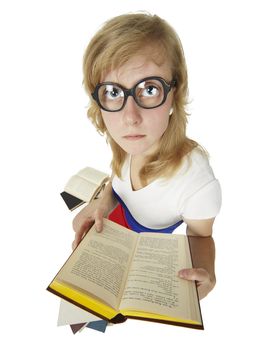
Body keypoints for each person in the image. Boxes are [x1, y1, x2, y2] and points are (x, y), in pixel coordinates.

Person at [72, 12, 221, 300]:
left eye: (149, 89)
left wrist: (207, 270)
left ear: (174, 94)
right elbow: (118, 183)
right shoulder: (127, 143)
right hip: (120, 220)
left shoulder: (196, 182)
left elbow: (201, 235)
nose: (130, 117)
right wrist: (102, 204)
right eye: (113, 92)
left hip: (148, 242)